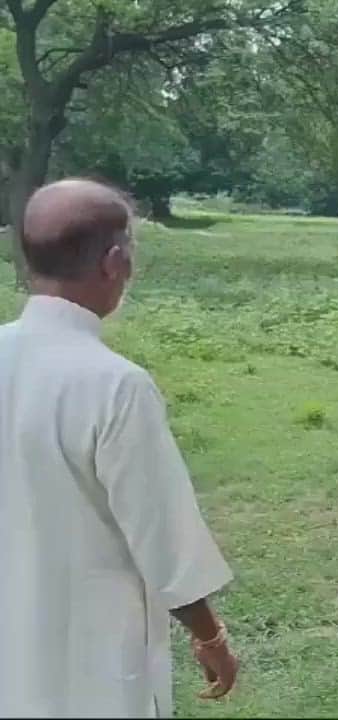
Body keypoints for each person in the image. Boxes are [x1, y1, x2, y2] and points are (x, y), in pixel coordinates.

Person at [0, 179, 239, 718]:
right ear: (114, 262)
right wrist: (211, 639)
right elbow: (164, 539)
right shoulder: (115, 385)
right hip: (87, 654)